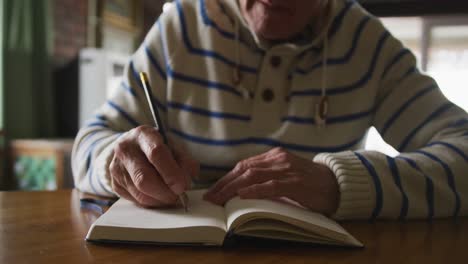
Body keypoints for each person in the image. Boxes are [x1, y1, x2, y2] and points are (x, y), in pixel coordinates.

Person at [72, 0, 468, 220]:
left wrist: (341, 182)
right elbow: (90, 142)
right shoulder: (179, 28)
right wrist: (120, 164)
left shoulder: (366, 43)